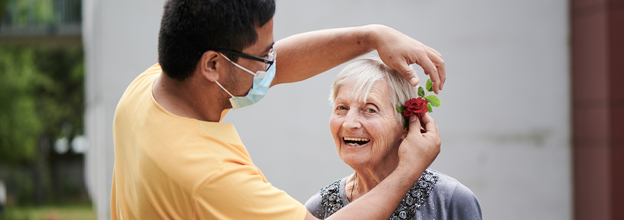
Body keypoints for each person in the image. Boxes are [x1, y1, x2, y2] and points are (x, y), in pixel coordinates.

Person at [111, 0, 446, 219]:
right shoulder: (209, 175)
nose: (273, 65)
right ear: (212, 64)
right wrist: (409, 170)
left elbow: (277, 65)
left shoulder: (148, 89)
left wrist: (372, 36)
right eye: (263, 55)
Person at [304, 58, 482, 220]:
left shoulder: (450, 201)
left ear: (407, 125)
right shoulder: (319, 207)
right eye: (342, 108)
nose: (349, 123)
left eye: (370, 110)